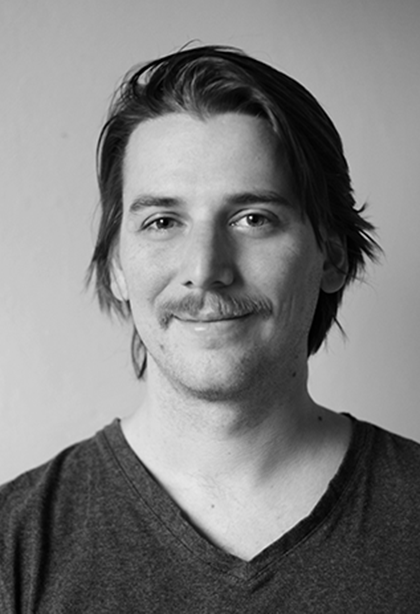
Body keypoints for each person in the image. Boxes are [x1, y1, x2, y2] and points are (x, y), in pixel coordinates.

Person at [1, 45, 419, 613]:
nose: (204, 269)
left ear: (332, 255)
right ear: (118, 265)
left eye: (253, 218)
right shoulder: (14, 546)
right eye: (162, 221)